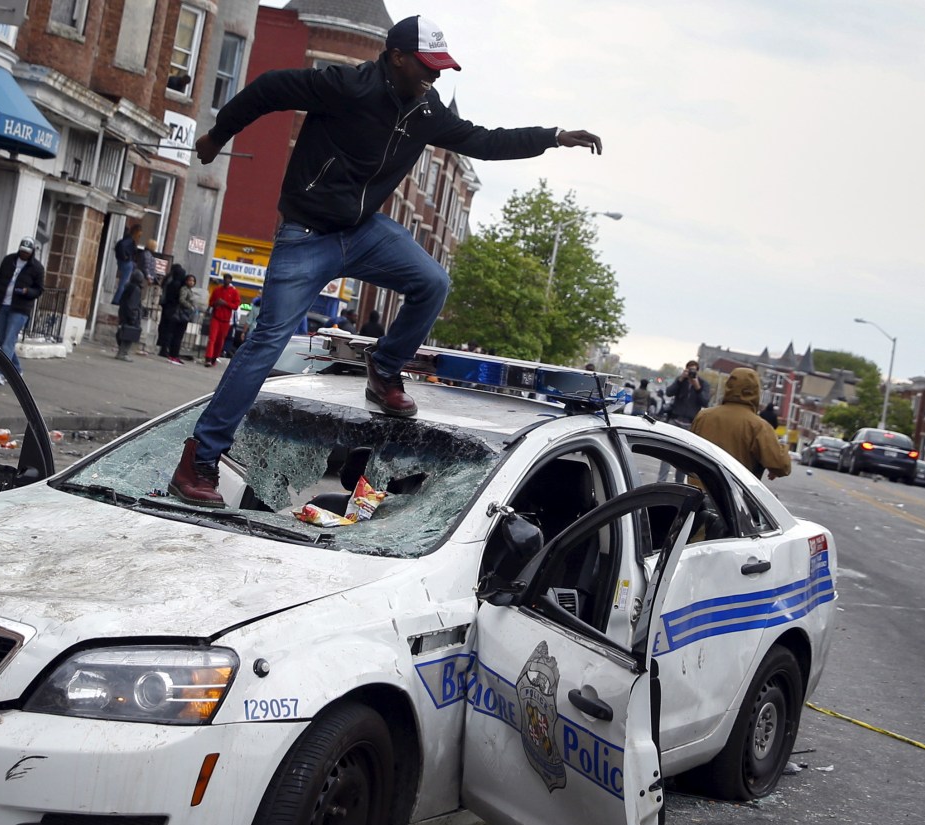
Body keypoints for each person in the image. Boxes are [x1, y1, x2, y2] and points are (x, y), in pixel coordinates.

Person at [167, 14, 603, 505]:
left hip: (363, 230)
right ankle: (199, 459)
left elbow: (484, 139)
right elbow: (268, 88)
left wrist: (553, 136)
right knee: (266, 341)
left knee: (432, 282)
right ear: (397, 57)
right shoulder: (346, 86)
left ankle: (385, 369)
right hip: (307, 233)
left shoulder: (426, 110)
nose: (434, 78)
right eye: (426, 67)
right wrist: (217, 135)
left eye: (440, 70)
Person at [691, 367, 792, 481]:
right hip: (732, 494)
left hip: (698, 490)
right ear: (755, 391)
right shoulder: (758, 426)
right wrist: (783, 448)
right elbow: (781, 466)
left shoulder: (703, 416)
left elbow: (688, 454)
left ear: (728, 387)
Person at [0, 237, 45, 385]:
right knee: (2, 339)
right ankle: (16, 368)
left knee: (9, 342)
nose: (24, 254)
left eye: (27, 252)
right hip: (4, 304)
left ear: (32, 252)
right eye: (22, 251)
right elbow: (0, 278)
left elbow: (39, 290)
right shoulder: (9, 260)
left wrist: (27, 291)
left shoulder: (36, 268)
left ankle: (1, 373)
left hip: (20, 309)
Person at [205, 273, 242, 368]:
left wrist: (225, 303)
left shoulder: (234, 292)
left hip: (226, 320)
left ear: (230, 280)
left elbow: (236, 306)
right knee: (212, 338)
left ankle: (214, 357)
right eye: (225, 279)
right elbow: (211, 302)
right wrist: (215, 303)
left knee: (220, 340)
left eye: (228, 279)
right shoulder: (217, 290)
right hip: (216, 317)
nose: (226, 280)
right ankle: (208, 358)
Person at [664, 360, 709, 429]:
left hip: (690, 423)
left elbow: (705, 402)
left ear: (697, 371)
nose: (691, 372)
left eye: (694, 370)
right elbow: (668, 393)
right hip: (675, 419)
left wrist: (698, 387)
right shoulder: (681, 380)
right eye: (690, 370)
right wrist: (680, 380)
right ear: (686, 370)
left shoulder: (703, 383)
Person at [157, 263, 188, 361]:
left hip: (166, 306)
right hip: (172, 309)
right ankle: (165, 349)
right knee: (169, 330)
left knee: (164, 328)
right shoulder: (177, 285)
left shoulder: (169, 281)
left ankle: (163, 347)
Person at [115, 269, 145, 361]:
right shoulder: (136, 289)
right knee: (130, 334)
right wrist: (133, 317)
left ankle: (121, 352)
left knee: (124, 332)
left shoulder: (128, 287)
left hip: (124, 313)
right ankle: (123, 353)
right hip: (131, 315)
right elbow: (132, 304)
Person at [110, 224, 141, 307]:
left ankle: (118, 299)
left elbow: (120, 246)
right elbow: (122, 246)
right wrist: (126, 257)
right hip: (127, 263)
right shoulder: (130, 240)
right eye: (139, 234)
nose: (139, 237)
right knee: (124, 282)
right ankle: (117, 300)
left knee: (123, 282)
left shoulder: (127, 238)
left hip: (125, 262)